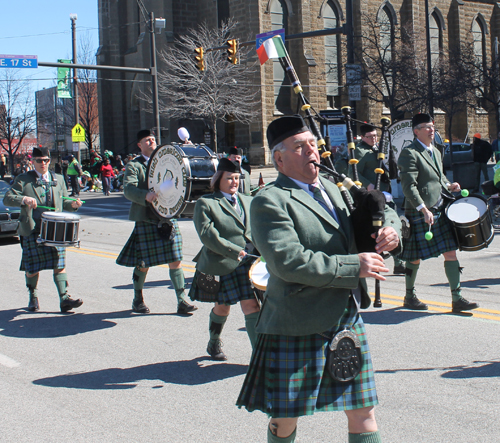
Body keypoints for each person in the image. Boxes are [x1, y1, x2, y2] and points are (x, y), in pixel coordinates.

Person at [236, 115, 402, 443]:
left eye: (313, 143)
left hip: (345, 317)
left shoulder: (335, 187)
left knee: (363, 410)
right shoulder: (269, 201)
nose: (312, 151)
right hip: (297, 321)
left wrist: (391, 230)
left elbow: (380, 206)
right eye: (300, 146)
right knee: (285, 417)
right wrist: (354, 266)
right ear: (279, 159)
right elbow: (288, 262)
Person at [397, 113, 479, 312]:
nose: (431, 129)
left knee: (450, 251)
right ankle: (409, 296)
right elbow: (409, 186)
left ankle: (457, 298)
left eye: (432, 126)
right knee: (414, 257)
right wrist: (422, 208)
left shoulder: (436, 151)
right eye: (426, 127)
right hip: (420, 211)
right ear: (416, 131)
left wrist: (449, 185)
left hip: (439, 207)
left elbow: (438, 176)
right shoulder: (409, 153)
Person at [116, 129, 197, 315]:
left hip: (168, 217)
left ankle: (182, 300)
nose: (152, 142)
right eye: (147, 140)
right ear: (139, 145)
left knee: (176, 260)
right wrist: (145, 195)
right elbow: (128, 189)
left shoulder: (166, 159)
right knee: (144, 264)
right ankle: (138, 299)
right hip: (147, 219)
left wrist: (189, 151)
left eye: (153, 139)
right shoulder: (135, 166)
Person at [188, 158, 260, 361]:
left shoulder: (248, 200)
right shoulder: (207, 203)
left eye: (236, 178)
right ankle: (214, 341)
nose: (234, 182)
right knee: (223, 307)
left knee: (252, 306)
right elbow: (207, 235)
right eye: (229, 178)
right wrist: (234, 250)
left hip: (249, 263)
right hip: (222, 263)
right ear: (218, 179)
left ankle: (258, 356)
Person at [3, 147, 83, 312]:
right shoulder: (23, 179)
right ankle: (33, 296)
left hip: (55, 229)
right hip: (33, 228)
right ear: (33, 161)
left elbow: (63, 201)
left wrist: (73, 204)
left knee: (59, 264)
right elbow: (8, 199)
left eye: (46, 160)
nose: (43, 163)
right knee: (32, 268)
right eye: (39, 160)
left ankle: (64, 298)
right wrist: (23, 199)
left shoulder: (59, 178)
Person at [353, 123, 405, 274]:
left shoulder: (376, 148)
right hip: (373, 196)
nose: (373, 139)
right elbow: (353, 171)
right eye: (369, 137)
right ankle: (392, 259)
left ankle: (399, 261)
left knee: (392, 223)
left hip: (385, 192)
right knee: (379, 226)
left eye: (375, 136)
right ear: (362, 137)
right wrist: (367, 185)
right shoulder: (360, 152)